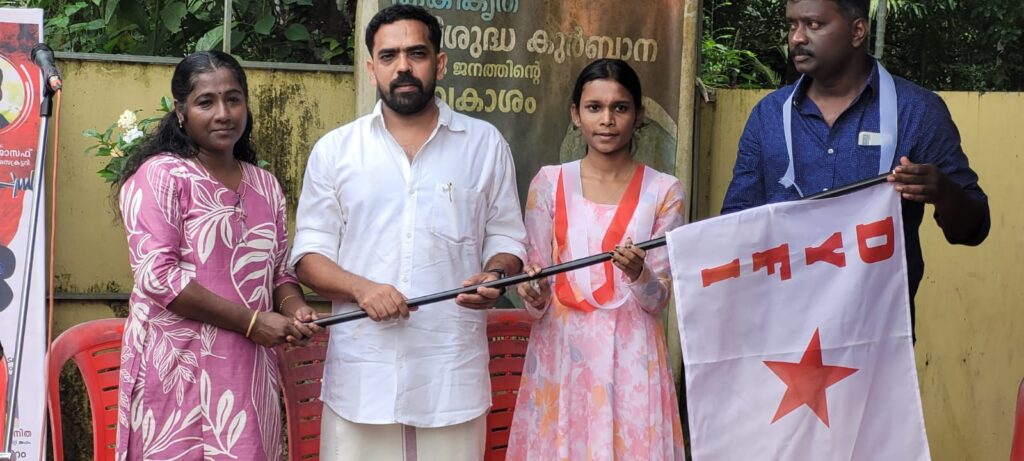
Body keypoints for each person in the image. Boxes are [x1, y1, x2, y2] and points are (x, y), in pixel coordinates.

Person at [289, 5, 526, 460]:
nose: (403, 66)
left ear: (440, 63)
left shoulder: (484, 145)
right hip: (363, 377)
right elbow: (309, 257)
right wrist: (362, 289)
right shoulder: (336, 151)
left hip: (450, 375)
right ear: (371, 68)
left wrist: (496, 274)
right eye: (389, 55)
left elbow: (506, 238)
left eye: (416, 53)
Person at [721, 0, 989, 332]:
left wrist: (945, 193)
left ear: (857, 31)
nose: (796, 38)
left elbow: (974, 229)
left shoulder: (917, 112)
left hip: (877, 339)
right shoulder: (768, 116)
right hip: (781, 336)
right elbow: (733, 228)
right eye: (792, 25)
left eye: (813, 25)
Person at [114, 51, 318, 460]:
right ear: (181, 112)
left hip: (247, 369)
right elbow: (158, 278)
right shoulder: (161, 176)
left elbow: (279, 272)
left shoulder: (265, 185)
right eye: (206, 102)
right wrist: (253, 322)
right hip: (177, 369)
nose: (223, 113)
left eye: (233, 99)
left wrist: (295, 308)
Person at [506, 58, 686, 460]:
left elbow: (657, 299)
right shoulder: (549, 183)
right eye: (594, 107)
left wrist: (639, 274)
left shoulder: (664, 191)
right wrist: (533, 291)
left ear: (639, 115)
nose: (607, 120)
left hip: (631, 355)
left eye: (620, 107)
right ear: (576, 114)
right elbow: (536, 289)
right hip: (562, 354)